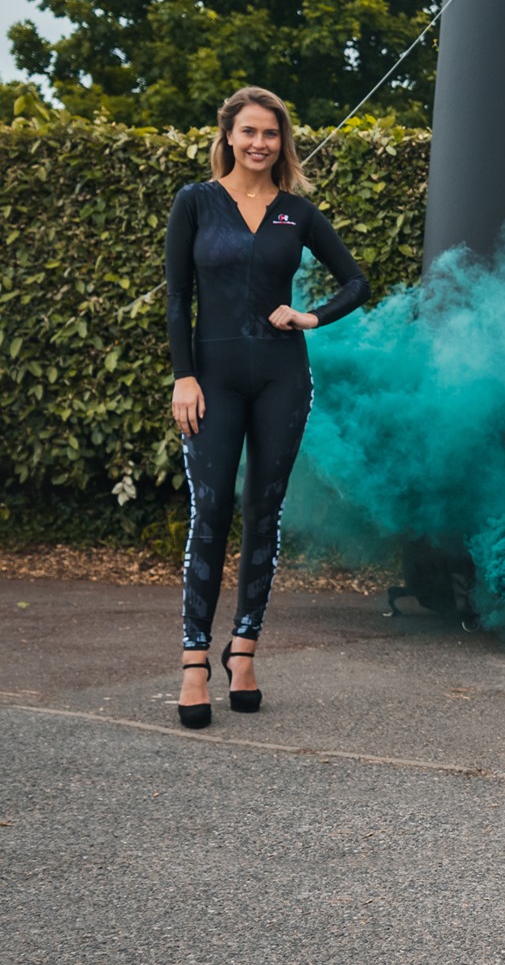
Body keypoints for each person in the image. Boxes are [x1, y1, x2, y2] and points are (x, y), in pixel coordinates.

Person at [168, 87, 369, 728]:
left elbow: (356, 281)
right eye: (249, 132)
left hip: (283, 376)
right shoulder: (195, 203)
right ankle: (195, 662)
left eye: (272, 135)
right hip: (213, 379)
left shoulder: (296, 212)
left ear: (283, 142)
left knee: (264, 510)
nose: (260, 144)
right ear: (228, 135)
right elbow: (177, 298)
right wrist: (184, 378)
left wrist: (310, 315)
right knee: (212, 510)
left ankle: (244, 651)